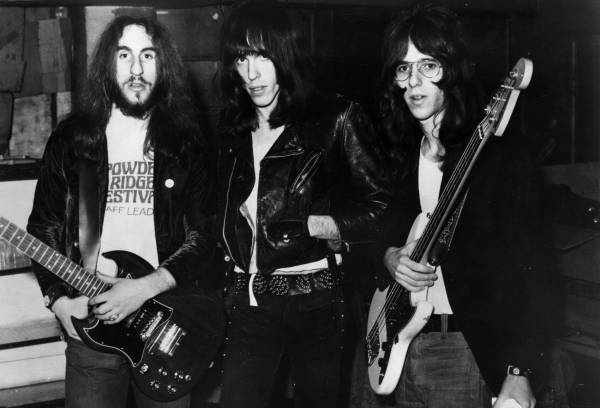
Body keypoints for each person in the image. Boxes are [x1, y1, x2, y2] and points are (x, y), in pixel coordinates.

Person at [370, 4, 556, 408]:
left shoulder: (499, 159)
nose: (413, 81)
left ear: (452, 70)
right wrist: (389, 256)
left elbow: (538, 272)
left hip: (464, 350)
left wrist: (520, 371)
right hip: (403, 346)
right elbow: (379, 234)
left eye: (428, 66)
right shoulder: (403, 156)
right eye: (403, 68)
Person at [27, 14, 216, 408]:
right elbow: (44, 226)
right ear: (106, 64)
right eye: (124, 55)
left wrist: (144, 288)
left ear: (163, 65)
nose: (136, 70)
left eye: (148, 55)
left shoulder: (185, 143)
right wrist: (60, 303)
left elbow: (204, 235)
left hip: (167, 320)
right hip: (91, 324)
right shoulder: (74, 139)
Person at [215, 1, 390, 407]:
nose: (251, 73)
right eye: (241, 58)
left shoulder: (335, 118)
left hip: (315, 300)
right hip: (249, 301)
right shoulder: (231, 129)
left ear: (286, 53)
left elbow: (381, 207)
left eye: (262, 56)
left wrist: (314, 224)